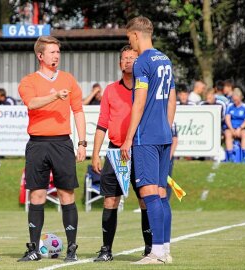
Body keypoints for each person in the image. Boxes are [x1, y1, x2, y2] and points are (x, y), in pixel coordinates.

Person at [17, 36, 86, 262]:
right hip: (37, 144)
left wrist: (82, 143)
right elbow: (32, 103)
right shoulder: (28, 81)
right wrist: (55, 95)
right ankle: (33, 249)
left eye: (58, 51)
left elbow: (78, 111)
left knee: (67, 193)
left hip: (62, 143)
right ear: (40, 56)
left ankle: (72, 250)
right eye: (52, 52)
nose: (56, 55)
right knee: (36, 194)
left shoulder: (68, 79)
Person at [121, 16, 176, 264]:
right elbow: (172, 97)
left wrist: (128, 138)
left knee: (148, 192)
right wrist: (168, 127)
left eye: (128, 37)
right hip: (164, 133)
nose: (129, 43)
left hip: (147, 136)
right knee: (161, 193)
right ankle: (164, 250)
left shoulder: (142, 62)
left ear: (135, 35)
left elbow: (139, 102)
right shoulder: (164, 59)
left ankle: (155, 252)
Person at [91, 45, 152, 262]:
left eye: (133, 58)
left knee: (145, 200)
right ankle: (106, 250)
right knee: (110, 201)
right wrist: (95, 153)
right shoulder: (110, 90)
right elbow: (102, 124)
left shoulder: (146, 88)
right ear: (119, 64)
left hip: (141, 151)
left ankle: (150, 249)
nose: (128, 61)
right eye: (125, 58)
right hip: (115, 152)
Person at [224, 88, 245, 162]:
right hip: (231, 127)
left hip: (241, 128)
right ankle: (230, 157)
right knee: (228, 134)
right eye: (234, 100)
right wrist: (232, 129)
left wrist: (239, 128)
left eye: (236, 100)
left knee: (244, 134)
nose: (235, 102)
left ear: (240, 98)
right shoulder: (230, 106)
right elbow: (227, 118)